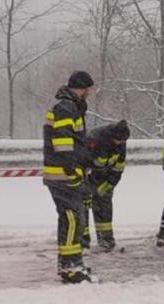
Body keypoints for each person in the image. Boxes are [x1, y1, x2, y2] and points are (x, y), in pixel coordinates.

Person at [43, 71, 95, 283]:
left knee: (70, 219)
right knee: (74, 219)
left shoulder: (69, 107)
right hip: (62, 175)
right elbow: (63, 143)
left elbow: (75, 143)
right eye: (89, 89)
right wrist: (72, 171)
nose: (90, 93)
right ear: (82, 88)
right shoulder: (66, 108)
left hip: (64, 173)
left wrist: (84, 163)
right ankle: (71, 267)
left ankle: (69, 264)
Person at [82, 120, 130, 252]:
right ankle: (82, 241)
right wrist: (85, 182)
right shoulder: (94, 138)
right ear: (112, 136)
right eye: (118, 140)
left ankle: (106, 239)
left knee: (104, 206)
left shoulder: (121, 141)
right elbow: (82, 160)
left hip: (105, 176)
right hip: (86, 175)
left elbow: (119, 166)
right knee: (83, 205)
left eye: (123, 141)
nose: (120, 143)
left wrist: (109, 184)